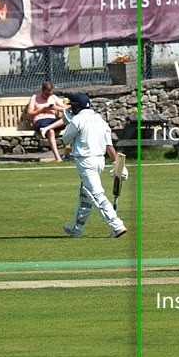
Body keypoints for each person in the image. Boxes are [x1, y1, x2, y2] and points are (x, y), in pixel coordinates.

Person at [61, 93, 128, 239]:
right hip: (99, 161)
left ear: (77, 107)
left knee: (96, 195)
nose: (71, 109)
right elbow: (109, 145)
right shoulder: (100, 120)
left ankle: (117, 226)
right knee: (85, 195)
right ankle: (76, 229)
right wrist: (118, 164)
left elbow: (65, 139)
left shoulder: (77, 119)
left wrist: (68, 123)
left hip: (86, 162)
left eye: (72, 106)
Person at [27, 80, 67, 162]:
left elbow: (65, 108)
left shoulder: (53, 97)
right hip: (40, 120)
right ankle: (58, 158)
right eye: (46, 94)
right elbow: (29, 114)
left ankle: (45, 129)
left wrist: (56, 108)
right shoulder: (34, 98)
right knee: (51, 131)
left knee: (66, 119)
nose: (48, 96)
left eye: (50, 94)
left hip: (52, 120)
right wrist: (42, 109)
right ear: (42, 90)